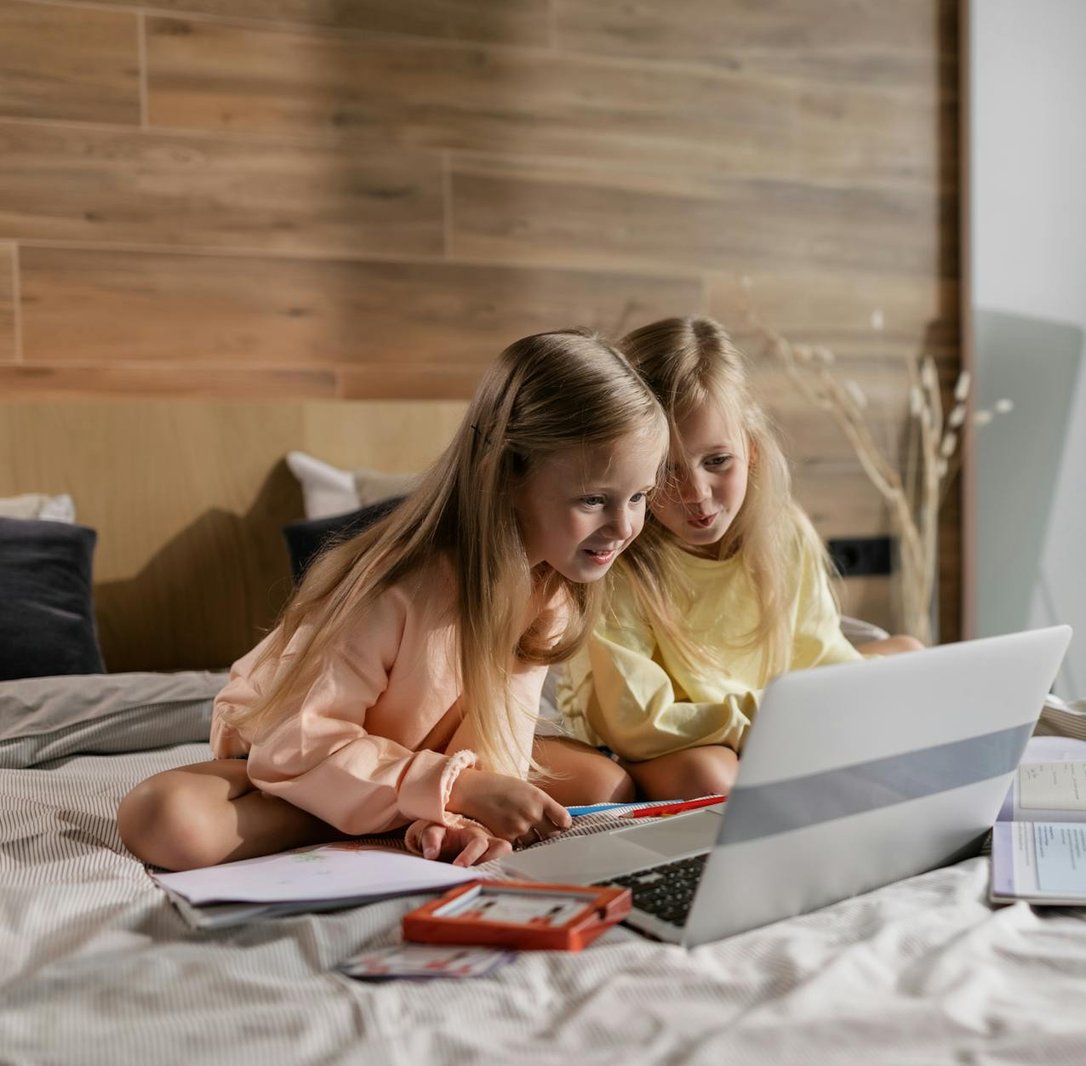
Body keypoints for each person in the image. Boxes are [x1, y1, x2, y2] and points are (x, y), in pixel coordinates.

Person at [117, 330, 668, 871]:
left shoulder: (550, 592)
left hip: (419, 757)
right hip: (297, 755)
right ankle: (347, 812)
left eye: (639, 496)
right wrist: (458, 792)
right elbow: (295, 742)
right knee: (163, 819)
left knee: (607, 783)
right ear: (505, 477)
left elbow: (498, 730)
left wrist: (468, 817)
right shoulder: (391, 584)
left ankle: (388, 810)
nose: (623, 526)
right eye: (594, 499)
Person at [545, 316, 921, 804]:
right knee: (711, 778)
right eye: (665, 472)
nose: (697, 495)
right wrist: (775, 717)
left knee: (910, 656)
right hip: (666, 733)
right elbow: (637, 722)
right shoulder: (617, 559)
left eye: (717, 461)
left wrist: (818, 705)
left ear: (753, 450)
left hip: (758, 709)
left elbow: (818, 653)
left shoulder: (784, 533)